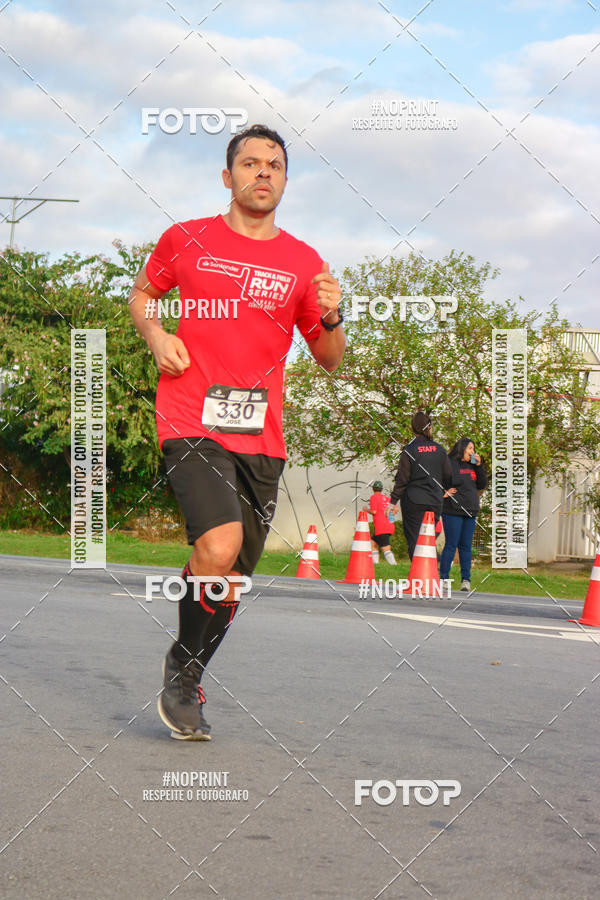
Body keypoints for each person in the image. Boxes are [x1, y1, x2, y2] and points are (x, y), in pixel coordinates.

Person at [128, 124, 346, 740]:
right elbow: (143, 295)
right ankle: (183, 677)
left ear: (285, 179)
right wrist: (155, 335)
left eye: (274, 165)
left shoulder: (304, 263)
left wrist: (332, 314)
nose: (262, 173)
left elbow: (330, 357)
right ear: (228, 177)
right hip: (189, 415)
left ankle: (186, 665)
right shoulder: (186, 238)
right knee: (219, 545)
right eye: (250, 163)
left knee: (232, 575)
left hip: (262, 437)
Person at [390, 410, 453, 560]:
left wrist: (393, 501)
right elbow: (449, 474)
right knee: (428, 538)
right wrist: (441, 489)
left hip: (414, 500)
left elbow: (402, 479)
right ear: (429, 427)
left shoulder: (409, 450)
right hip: (435, 501)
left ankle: (418, 577)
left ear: (413, 429)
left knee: (414, 540)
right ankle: (431, 575)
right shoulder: (439, 449)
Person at [440, 438, 487, 592]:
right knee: (451, 544)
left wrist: (479, 466)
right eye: (470, 448)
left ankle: (465, 580)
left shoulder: (474, 465)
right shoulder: (448, 462)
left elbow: (481, 484)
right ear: (462, 448)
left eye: (473, 449)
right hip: (452, 509)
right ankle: (444, 579)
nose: (473, 452)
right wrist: (443, 492)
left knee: (466, 547)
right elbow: (437, 479)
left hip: (470, 509)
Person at [362, 480, 396, 565]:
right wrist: (388, 515)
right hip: (389, 525)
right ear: (381, 489)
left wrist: (366, 510)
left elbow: (374, 511)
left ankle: (394, 565)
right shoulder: (387, 498)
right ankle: (375, 565)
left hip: (381, 527)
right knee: (372, 543)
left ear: (373, 489)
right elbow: (396, 509)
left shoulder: (373, 497)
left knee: (385, 548)